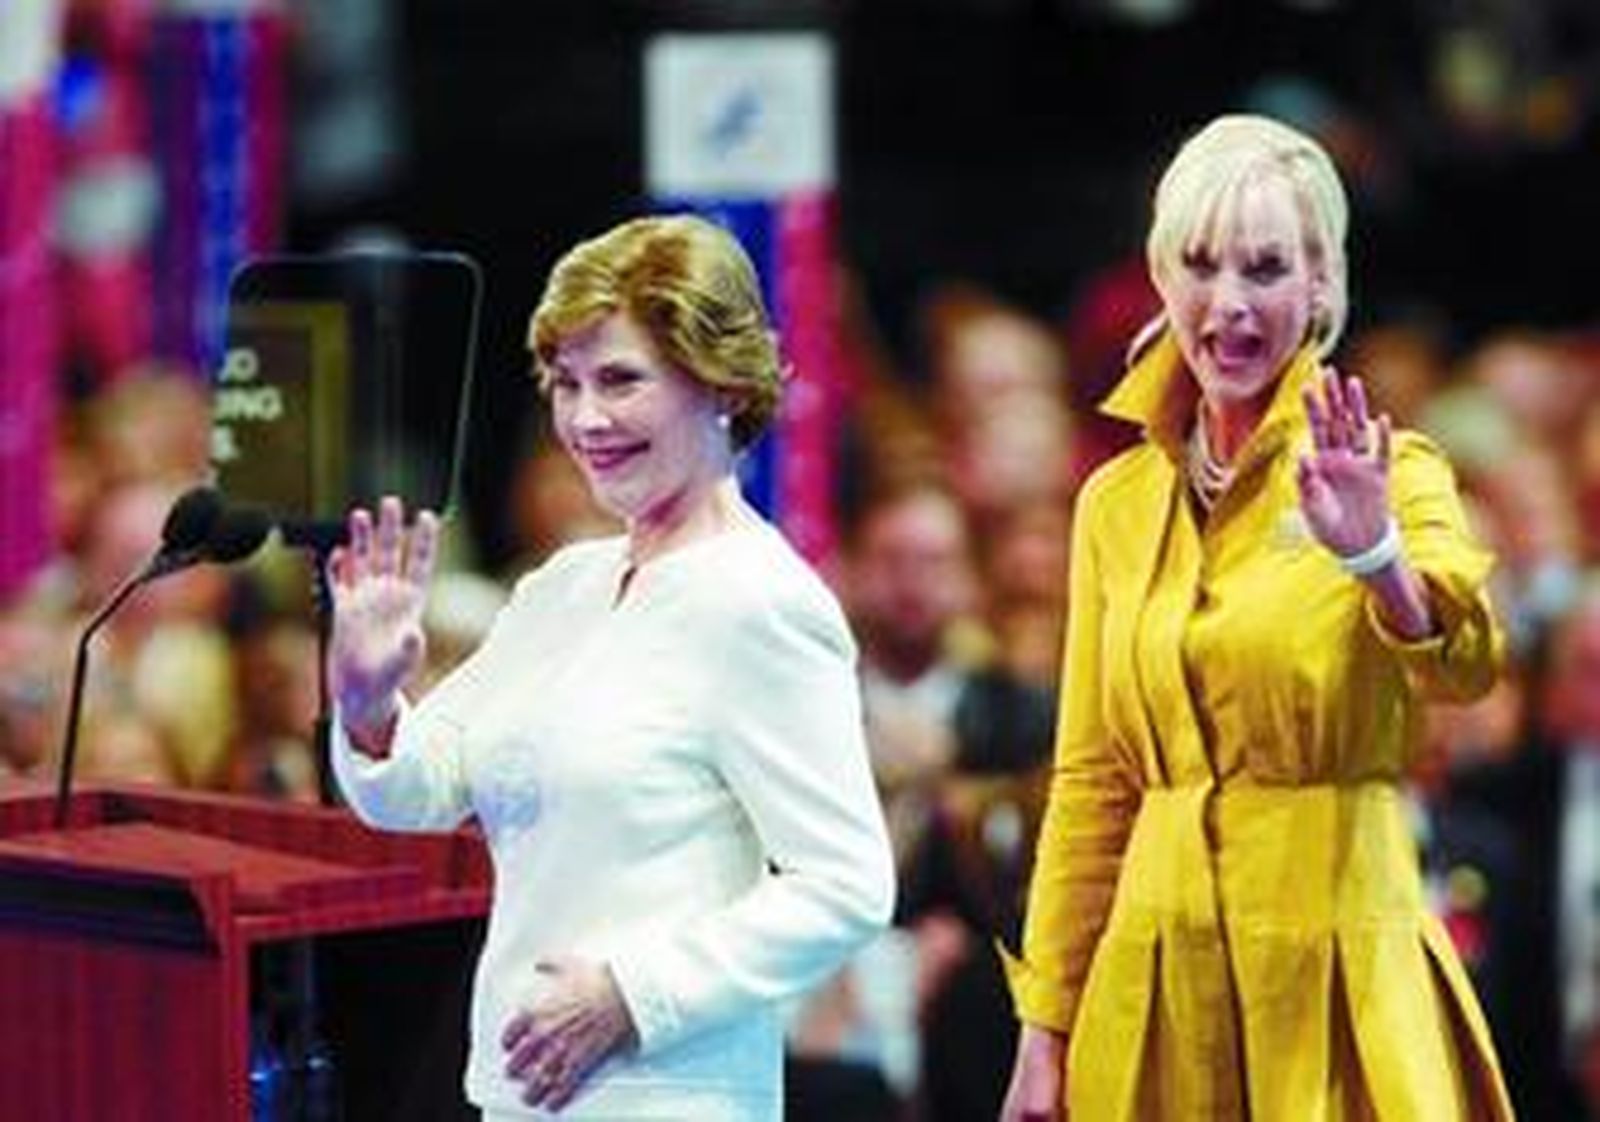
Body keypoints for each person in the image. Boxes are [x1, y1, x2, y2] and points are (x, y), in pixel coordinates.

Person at [999, 114, 1515, 1121]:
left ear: (1321, 286)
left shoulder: (1390, 468)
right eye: (1199, 265)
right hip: (1149, 990)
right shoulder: (1114, 502)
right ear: (1160, 277)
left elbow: (1467, 665)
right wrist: (1044, 1029)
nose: (1227, 304)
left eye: (1265, 269)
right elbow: (1092, 782)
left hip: (1336, 978)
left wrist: (1376, 560)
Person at [325, 214, 896, 1120]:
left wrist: (633, 995)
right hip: (522, 1094)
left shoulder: (760, 601)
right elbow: (421, 791)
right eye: (567, 383)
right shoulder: (564, 587)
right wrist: (367, 701)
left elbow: (847, 886)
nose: (586, 419)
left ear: (719, 382)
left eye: (621, 380)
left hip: (672, 1094)